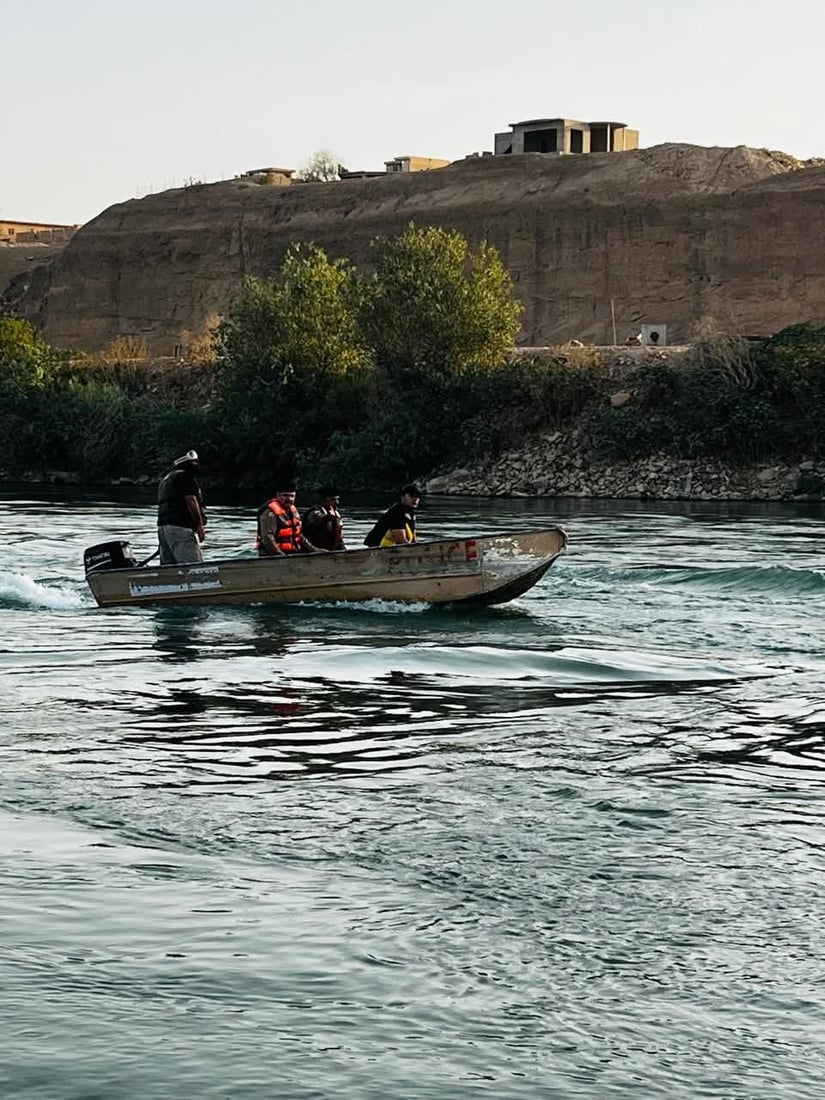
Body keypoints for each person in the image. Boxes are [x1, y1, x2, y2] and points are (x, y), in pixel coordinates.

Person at [157, 449, 207, 565]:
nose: (196, 465)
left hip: (163, 529)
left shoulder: (166, 479)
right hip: (180, 528)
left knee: (169, 570)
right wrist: (199, 525)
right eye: (193, 462)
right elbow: (191, 500)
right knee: (194, 566)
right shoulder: (185, 476)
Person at [256, 484, 323, 556]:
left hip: (291, 553)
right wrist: (282, 556)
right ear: (278, 496)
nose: (289, 499)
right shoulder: (270, 513)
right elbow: (268, 539)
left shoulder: (292, 510)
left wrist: (315, 550)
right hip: (271, 555)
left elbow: (299, 536)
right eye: (285, 495)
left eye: (292, 496)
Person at [302, 487, 346, 552]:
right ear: (323, 500)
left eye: (337, 499)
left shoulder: (336, 513)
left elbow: (339, 538)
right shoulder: (314, 513)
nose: (337, 502)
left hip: (333, 551)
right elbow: (320, 518)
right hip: (316, 552)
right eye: (332, 500)